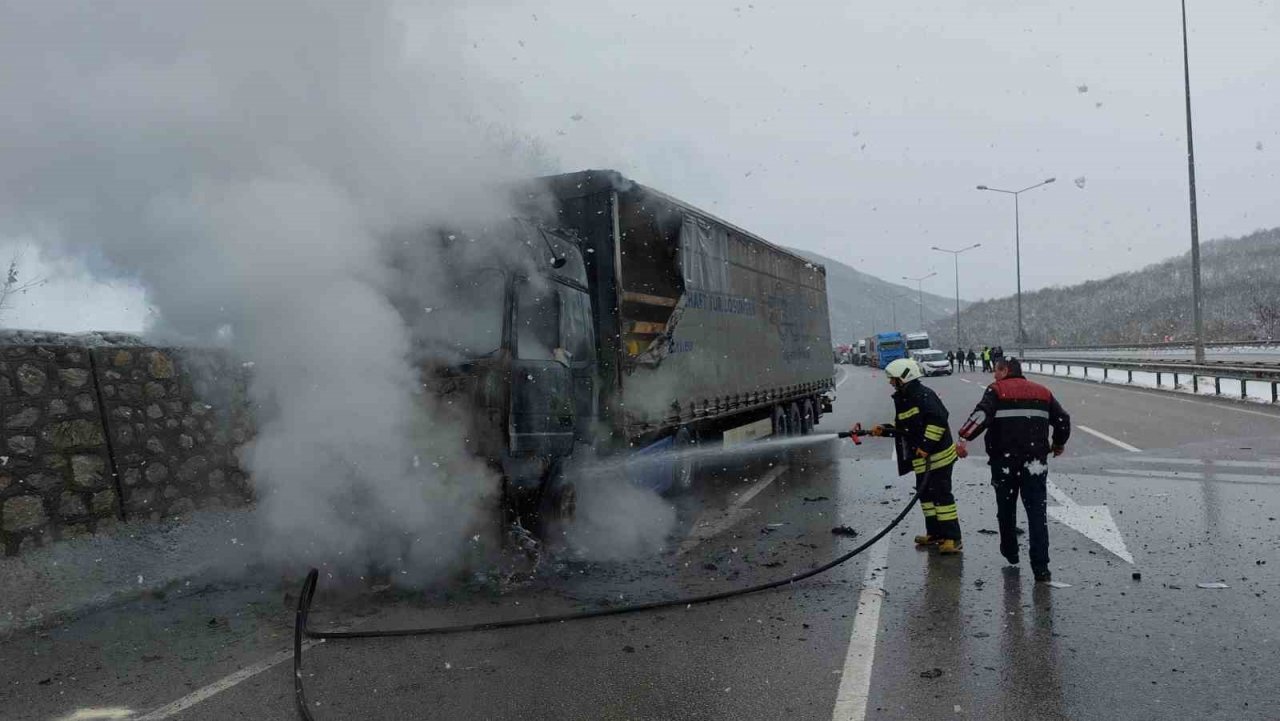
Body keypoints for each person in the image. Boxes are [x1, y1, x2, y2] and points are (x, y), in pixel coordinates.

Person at [956, 357, 1071, 583]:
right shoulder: (1043, 392)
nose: (994, 375)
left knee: (1006, 508)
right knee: (1037, 513)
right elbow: (1062, 419)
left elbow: (980, 416)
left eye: (996, 371)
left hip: (1004, 463)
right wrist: (1058, 443)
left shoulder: (997, 390)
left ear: (1005, 370)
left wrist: (963, 437)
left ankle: (1010, 551)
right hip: (1035, 463)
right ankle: (1041, 568)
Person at [856, 358, 963, 553]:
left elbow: (938, 420)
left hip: (938, 457)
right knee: (926, 496)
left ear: (904, 377)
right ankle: (935, 534)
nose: (891, 382)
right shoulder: (904, 398)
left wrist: (926, 445)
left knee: (941, 497)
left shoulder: (923, 395)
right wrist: (884, 430)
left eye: (893, 379)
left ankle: (953, 538)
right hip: (922, 459)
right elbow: (905, 428)